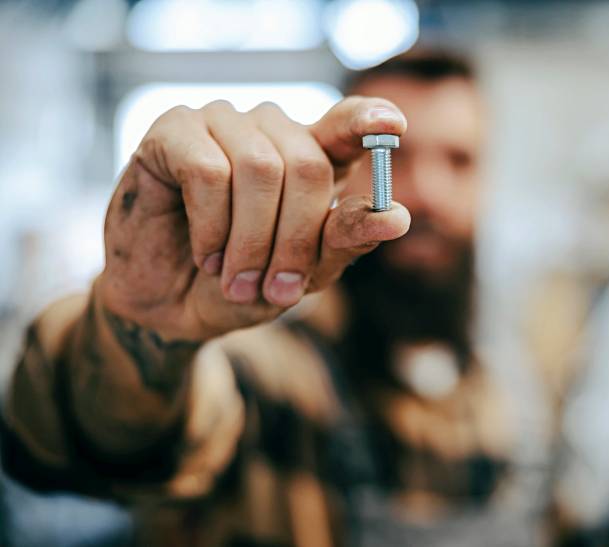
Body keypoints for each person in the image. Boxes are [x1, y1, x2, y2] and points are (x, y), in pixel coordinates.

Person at [1, 52, 550, 547]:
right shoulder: (265, 371)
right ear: (349, 165)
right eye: (396, 157)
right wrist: (140, 331)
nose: (428, 193)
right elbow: (91, 438)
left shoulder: (517, 391)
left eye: (459, 160)